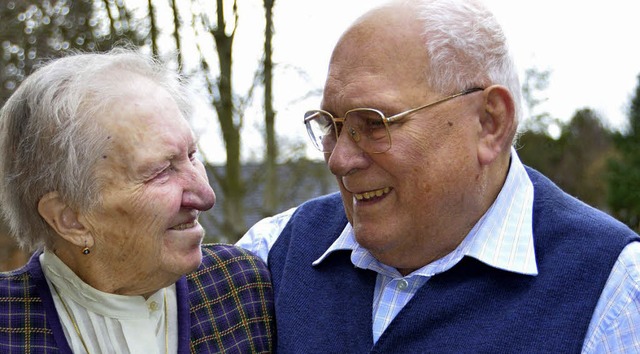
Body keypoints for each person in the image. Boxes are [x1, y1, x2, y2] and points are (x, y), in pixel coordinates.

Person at [237, 0, 640, 352]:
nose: (339, 159)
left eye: (374, 123)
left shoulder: (613, 290)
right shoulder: (273, 254)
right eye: (331, 125)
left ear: (489, 124)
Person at [0, 49, 274, 353]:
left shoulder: (241, 289)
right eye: (160, 172)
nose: (205, 196)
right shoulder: (8, 326)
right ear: (71, 220)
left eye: (192, 156)